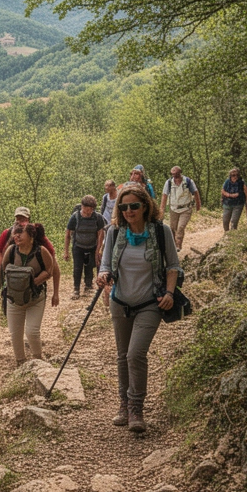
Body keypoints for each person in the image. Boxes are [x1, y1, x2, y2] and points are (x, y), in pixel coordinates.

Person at [96, 184, 182, 434]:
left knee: (135, 354)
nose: (128, 211)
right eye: (123, 207)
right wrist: (103, 275)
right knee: (123, 355)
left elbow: (173, 266)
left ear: (145, 206)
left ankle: (136, 407)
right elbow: (105, 264)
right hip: (120, 301)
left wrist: (169, 293)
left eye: (134, 205)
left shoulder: (161, 231)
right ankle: (124, 405)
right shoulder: (115, 232)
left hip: (150, 303)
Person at [0, 222, 60, 365]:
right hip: (13, 299)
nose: (16, 236)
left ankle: (38, 359)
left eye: (20, 233)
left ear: (31, 237)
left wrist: (36, 282)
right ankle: (20, 362)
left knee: (32, 331)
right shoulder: (11, 250)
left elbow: (50, 271)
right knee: (15, 334)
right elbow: (1, 271)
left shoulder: (41, 251)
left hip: (36, 298)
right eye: (15, 233)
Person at [64, 195, 107, 299]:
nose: (88, 212)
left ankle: (88, 285)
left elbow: (100, 234)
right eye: (86, 210)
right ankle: (76, 289)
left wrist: (98, 250)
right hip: (78, 246)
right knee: (77, 267)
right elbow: (68, 234)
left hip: (92, 246)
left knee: (90, 265)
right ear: (82, 207)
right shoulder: (75, 217)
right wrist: (66, 251)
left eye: (90, 210)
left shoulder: (97, 217)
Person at [0, 206, 56, 275]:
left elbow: (52, 253)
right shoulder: (8, 233)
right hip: (13, 273)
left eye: (22, 219)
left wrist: (49, 274)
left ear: (28, 220)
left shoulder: (36, 232)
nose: (19, 222)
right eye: (17, 219)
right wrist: (1, 274)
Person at [160, 166, 201, 248]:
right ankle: (173, 245)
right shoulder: (169, 183)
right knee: (172, 228)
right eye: (173, 174)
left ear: (180, 173)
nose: (174, 176)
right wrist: (161, 210)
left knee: (180, 227)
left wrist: (198, 205)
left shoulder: (188, 181)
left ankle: (178, 245)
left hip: (186, 208)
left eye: (176, 174)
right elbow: (164, 196)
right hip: (173, 209)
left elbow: (195, 193)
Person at [221, 167, 247, 231]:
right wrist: (229, 195)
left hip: (238, 204)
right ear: (230, 176)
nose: (235, 177)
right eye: (233, 175)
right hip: (227, 203)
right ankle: (226, 233)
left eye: (237, 175)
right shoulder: (227, 182)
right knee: (225, 221)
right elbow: (223, 191)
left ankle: (232, 235)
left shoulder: (241, 183)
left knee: (234, 221)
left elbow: (246, 193)